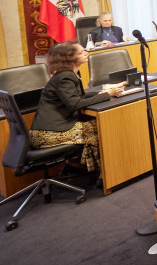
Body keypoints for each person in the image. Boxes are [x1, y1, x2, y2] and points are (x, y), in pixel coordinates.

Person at [30, 42, 123, 174]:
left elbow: (79, 95)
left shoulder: (67, 74)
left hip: (50, 129)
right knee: (101, 126)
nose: (86, 53)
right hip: (47, 134)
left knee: (97, 124)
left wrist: (101, 92)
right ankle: (102, 173)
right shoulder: (65, 77)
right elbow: (75, 104)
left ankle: (80, 167)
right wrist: (108, 94)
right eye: (81, 52)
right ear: (69, 59)